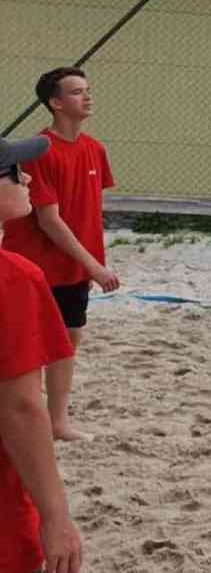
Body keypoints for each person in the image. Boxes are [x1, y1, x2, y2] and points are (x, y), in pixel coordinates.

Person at [1, 68, 118, 442]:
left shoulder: (94, 148)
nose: (87, 96)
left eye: (88, 89)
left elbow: (90, 211)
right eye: (76, 91)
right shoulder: (41, 151)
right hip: (35, 262)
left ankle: (58, 422)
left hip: (74, 264)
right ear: (55, 103)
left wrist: (90, 263)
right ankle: (27, 419)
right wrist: (94, 266)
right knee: (31, 343)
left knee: (70, 336)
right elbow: (49, 221)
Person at [1, 134, 84, 573]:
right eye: (15, 172)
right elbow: (19, 408)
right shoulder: (12, 277)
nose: (28, 178)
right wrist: (56, 517)